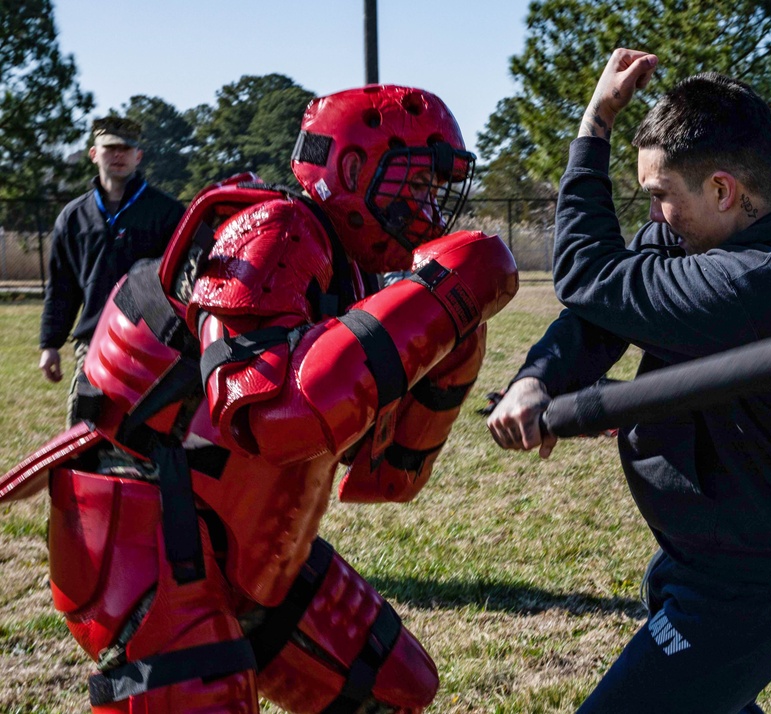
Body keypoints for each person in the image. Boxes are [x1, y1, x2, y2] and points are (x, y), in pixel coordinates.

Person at [2, 85, 518, 712]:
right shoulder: (273, 232)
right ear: (353, 170)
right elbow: (276, 421)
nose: (427, 204)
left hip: (245, 524)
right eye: (415, 181)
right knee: (206, 694)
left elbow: (387, 474)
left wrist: (447, 335)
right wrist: (443, 289)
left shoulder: (347, 267)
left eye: (436, 188)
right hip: (148, 526)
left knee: (392, 686)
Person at [488, 49, 771, 713]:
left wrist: (594, 126)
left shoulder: (766, 281)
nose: (657, 215)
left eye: (662, 196)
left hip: (752, 585)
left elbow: (589, 276)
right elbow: (602, 313)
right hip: (705, 557)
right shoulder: (722, 232)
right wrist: (537, 377)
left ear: (723, 190)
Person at [38, 116, 185, 425]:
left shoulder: (168, 212)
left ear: (138, 156)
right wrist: (50, 344)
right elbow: (61, 288)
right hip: (93, 342)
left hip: (153, 344)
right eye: (110, 148)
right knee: (84, 430)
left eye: (126, 148)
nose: (118, 155)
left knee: (150, 432)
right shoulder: (73, 217)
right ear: (94, 154)